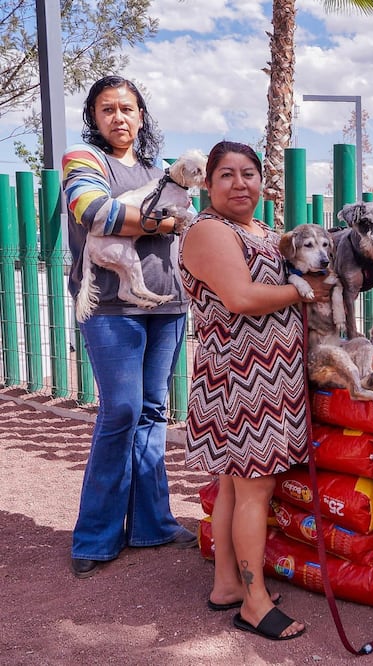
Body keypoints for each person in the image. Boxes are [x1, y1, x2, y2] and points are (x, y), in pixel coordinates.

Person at [179, 141, 331, 641]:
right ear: (208, 183)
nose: (240, 184)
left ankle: (227, 585)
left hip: (273, 377)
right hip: (240, 381)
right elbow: (241, 298)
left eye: (249, 173)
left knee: (232, 485)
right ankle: (255, 602)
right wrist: (307, 291)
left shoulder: (264, 232)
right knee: (254, 491)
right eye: (226, 175)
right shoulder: (208, 231)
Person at [61, 76, 196, 580]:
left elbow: (192, 219)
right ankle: (95, 536)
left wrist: (165, 219)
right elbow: (91, 211)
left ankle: (151, 524)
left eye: (128, 109)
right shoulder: (83, 161)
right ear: (94, 118)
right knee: (121, 410)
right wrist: (164, 222)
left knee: (154, 410)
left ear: (142, 115)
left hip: (167, 304)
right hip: (113, 308)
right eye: (107, 109)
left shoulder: (159, 169)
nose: (119, 118)